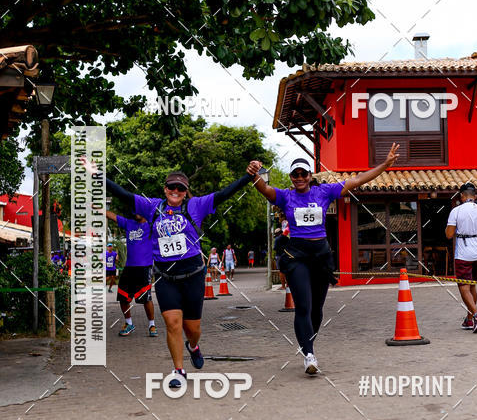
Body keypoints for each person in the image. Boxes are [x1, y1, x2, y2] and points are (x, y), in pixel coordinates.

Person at [95, 166, 255, 388]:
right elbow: (123, 194)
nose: (176, 191)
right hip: (165, 277)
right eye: (172, 186)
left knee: (192, 329)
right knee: (172, 323)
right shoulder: (152, 207)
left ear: (185, 191)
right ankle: (178, 370)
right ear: (165, 188)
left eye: (181, 188)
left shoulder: (195, 206)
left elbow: (223, 194)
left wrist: (248, 176)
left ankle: (193, 346)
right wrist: (97, 175)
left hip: (193, 276)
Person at [248, 145, 400, 374]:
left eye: (303, 174)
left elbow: (358, 180)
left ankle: (308, 345)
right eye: (295, 174)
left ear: (310, 176)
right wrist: (254, 173)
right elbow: (264, 188)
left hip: (321, 256)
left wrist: (385, 166)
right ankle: (309, 355)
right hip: (297, 256)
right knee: (304, 306)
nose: (299, 178)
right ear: (291, 177)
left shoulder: (324, 192)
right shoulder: (285, 196)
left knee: (317, 310)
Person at [445, 183, 477, 333]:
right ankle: (469, 320)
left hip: (464, 254)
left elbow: (449, 234)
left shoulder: (456, 211)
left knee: (464, 287)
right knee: (472, 285)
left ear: (462, 196)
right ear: (475, 196)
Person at [106, 210, 157, 337]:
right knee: (123, 297)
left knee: (146, 298)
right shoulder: (128, 223)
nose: (136, 212)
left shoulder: (151, 225)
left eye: (140, 209)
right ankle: (129, 323)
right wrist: (96, 206)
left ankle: (152, 325)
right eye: (135, 209)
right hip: (129, 268)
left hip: (145, 267)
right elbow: (111, 215)